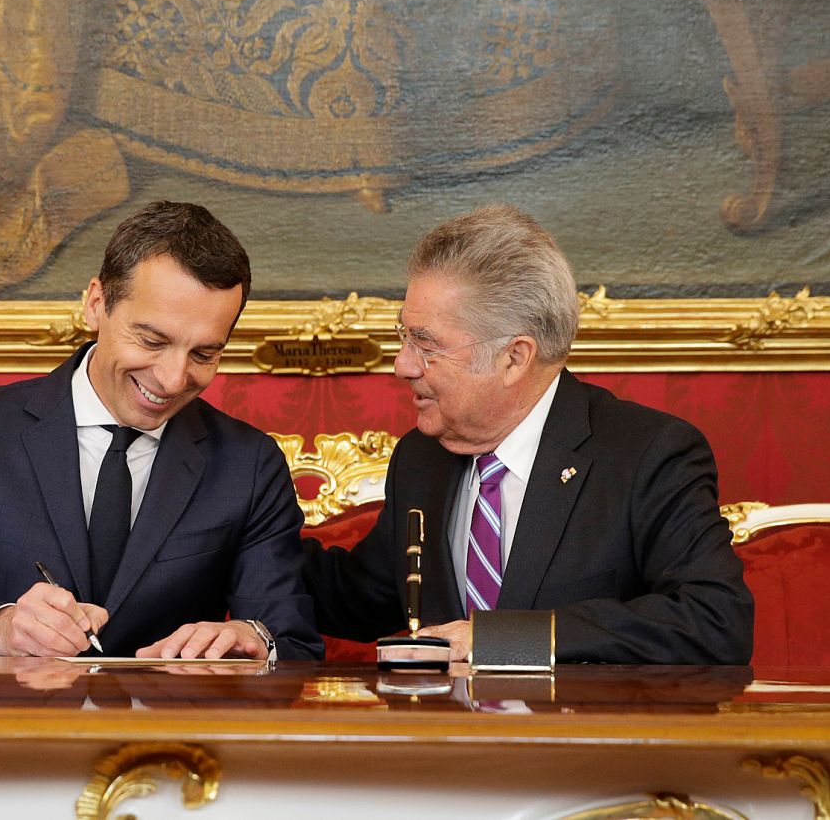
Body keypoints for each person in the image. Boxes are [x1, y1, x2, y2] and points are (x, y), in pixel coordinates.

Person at [0, 201, 322, 660]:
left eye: (204, 354)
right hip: (8, 729)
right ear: (96, 304)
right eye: (152, 340)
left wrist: (253, 638)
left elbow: (292, 642)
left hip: (172, 740)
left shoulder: (248, 462)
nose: (174, 379)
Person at [302, 205, 753, 664]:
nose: (403, 365)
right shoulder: (422, 458)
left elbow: (714, 621)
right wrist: (239, 529)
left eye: (426, 344)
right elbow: (360, 597)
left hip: (576, 731)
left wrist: (507, 638)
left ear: (514, 358)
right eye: (404, 336)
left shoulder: (646, 455)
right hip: (448, 733)